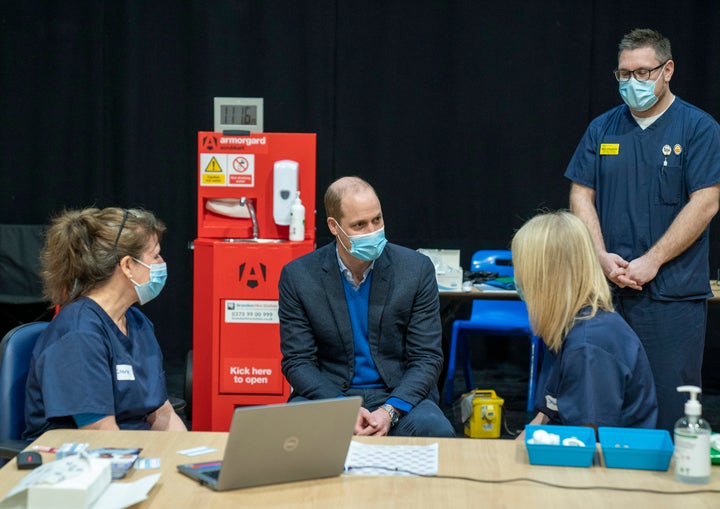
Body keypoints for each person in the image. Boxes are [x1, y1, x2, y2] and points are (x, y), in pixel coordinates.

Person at [565, 28, 720, 431]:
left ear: (667, 70)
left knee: (669, 407)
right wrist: (598, 255)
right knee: (601, 405)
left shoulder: (698, 129)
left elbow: (706, 201)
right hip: (607, 291)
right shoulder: (603, 129)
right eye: (623, 75)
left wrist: (652, 260)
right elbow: (581, 194)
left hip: (670, 295)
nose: (633, 83)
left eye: (643, 73)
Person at [278, 176, 455, 437]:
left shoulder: (416, 270)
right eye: (359, 225)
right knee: (289, 430)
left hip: (397, 395)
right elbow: (297, 361)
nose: (372, 231)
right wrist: (341, 407)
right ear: (334, 227)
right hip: (331, 394)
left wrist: (390, 410)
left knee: (435, 430)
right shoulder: (299, 276)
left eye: (377, 220)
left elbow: (427, 357)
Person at [23, 207, 187, 440]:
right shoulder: (79, 333)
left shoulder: (138, 324)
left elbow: (162, 413)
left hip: (132, 452)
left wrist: (188, 458)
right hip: (79, 461)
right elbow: (100, 436)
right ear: (128, 265)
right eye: (156, 255)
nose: (162, 263)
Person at [512, 211, 658, 432]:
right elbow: (550, 413)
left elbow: (583, 444)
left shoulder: (587, 348)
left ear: (543, 279)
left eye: (521, 270)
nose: (517, 279)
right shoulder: (583, 324)